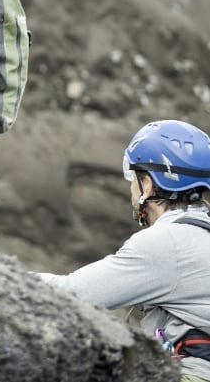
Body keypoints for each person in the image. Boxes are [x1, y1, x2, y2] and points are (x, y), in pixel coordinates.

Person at [37, 119, 210, 382]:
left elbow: (72, 294)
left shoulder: (168, 243)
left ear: (148, 184)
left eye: (133, 178)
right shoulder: (200, 233)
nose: (130, 187)